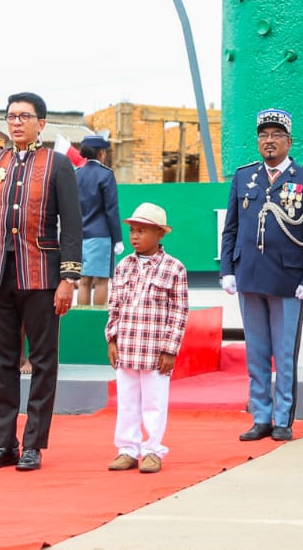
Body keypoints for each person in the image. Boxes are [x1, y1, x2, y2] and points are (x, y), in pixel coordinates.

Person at [0, 92, 83, 472]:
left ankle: (33, 444)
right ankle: (4, 444)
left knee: (44, 361)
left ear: (41, 123)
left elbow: (72, 227)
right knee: (0, 362)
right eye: (11, 116)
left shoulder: (57, 165)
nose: (16, 122)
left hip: (41, 274)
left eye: (24, 116)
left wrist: (68, 277)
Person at [219, 107, 303, 443]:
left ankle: (282, 418)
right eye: (264, 135)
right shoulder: (244, 176)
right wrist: (227, 270)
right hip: (249, 275)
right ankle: (261, 417)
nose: (269, 141)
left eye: (276, 135)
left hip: (288, 281)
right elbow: (231, 228)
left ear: (289, 141)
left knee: (284, 353)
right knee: (257, 352)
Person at [105, 202, 190, 473]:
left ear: (159, 234)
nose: (135, 237)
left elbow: (179, 312)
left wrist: (170, 349)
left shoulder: (174, 268)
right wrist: (112, 339)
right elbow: (114, 305)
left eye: (142, 231)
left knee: (154, 402)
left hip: (155, 351)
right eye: (132, 231)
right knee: (127, 401)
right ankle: (127, 449)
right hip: (127, 346)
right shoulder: (123, 266)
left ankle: (152, 450)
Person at [76, 134, 122, 307]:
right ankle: (98, 320)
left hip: (80, 235)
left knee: (84, 281)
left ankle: (83, 317)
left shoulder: (76, 174)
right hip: (101, 235)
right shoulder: (106, 175)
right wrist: (118, 239)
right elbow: (111, 210)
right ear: (101, 153)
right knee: (101, 281)